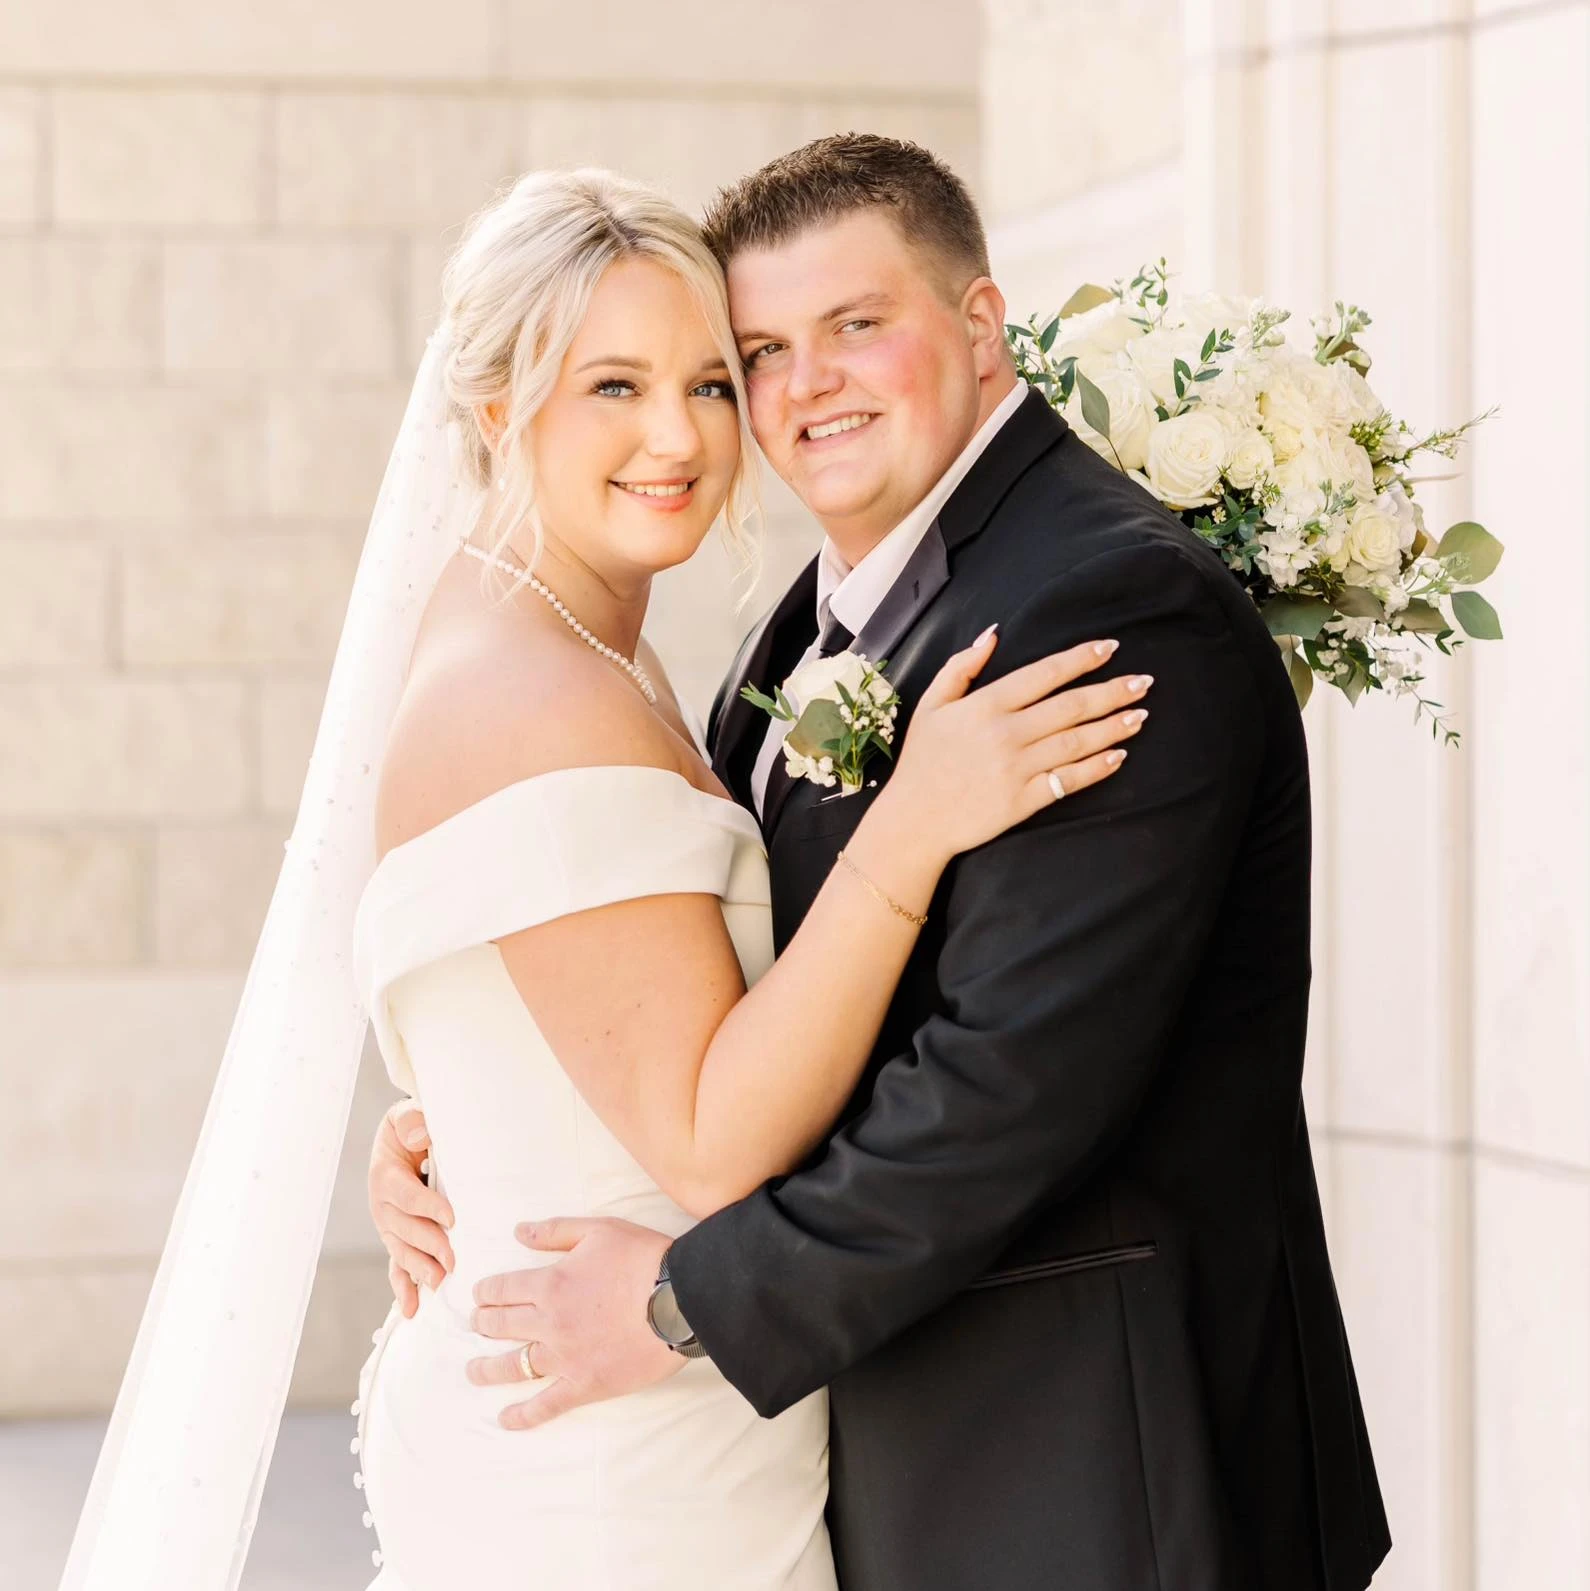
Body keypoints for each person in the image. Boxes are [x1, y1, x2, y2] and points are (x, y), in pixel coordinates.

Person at [375, 135, 1392, 1591]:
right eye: (763, 351)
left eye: (856, 326)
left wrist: (681, 1304)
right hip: (870, 1450)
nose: (804, 388)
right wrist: (473, 1105)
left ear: (981, 330)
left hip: (1086, 1465)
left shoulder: (1105, 608)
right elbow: (675, 953)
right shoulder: (791, 632)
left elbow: (1008, 1083)